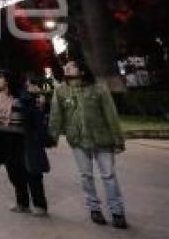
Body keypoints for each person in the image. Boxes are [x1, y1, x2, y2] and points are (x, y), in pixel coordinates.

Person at [49, 59, 128, 229]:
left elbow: (111, 115)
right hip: (78, 140)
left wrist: (118, 139)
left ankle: (117, 212)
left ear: (82, 70)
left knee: (108, 176)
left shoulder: (99, 88)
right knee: (86, 176)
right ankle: (94, 208)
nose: (67, 67)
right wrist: (52, 136)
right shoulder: (61, 91)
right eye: (66, 66)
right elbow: (56, 115)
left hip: (102, 139)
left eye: (72, 65)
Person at [0, 70, 50, 216]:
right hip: (3, 140)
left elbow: (35, 116)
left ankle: (39, 204)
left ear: (8, 80)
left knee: (32, 172)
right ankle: (22, 202)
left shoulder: (23, 96)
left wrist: (42, 136)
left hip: (23, 140)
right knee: (14, 173)